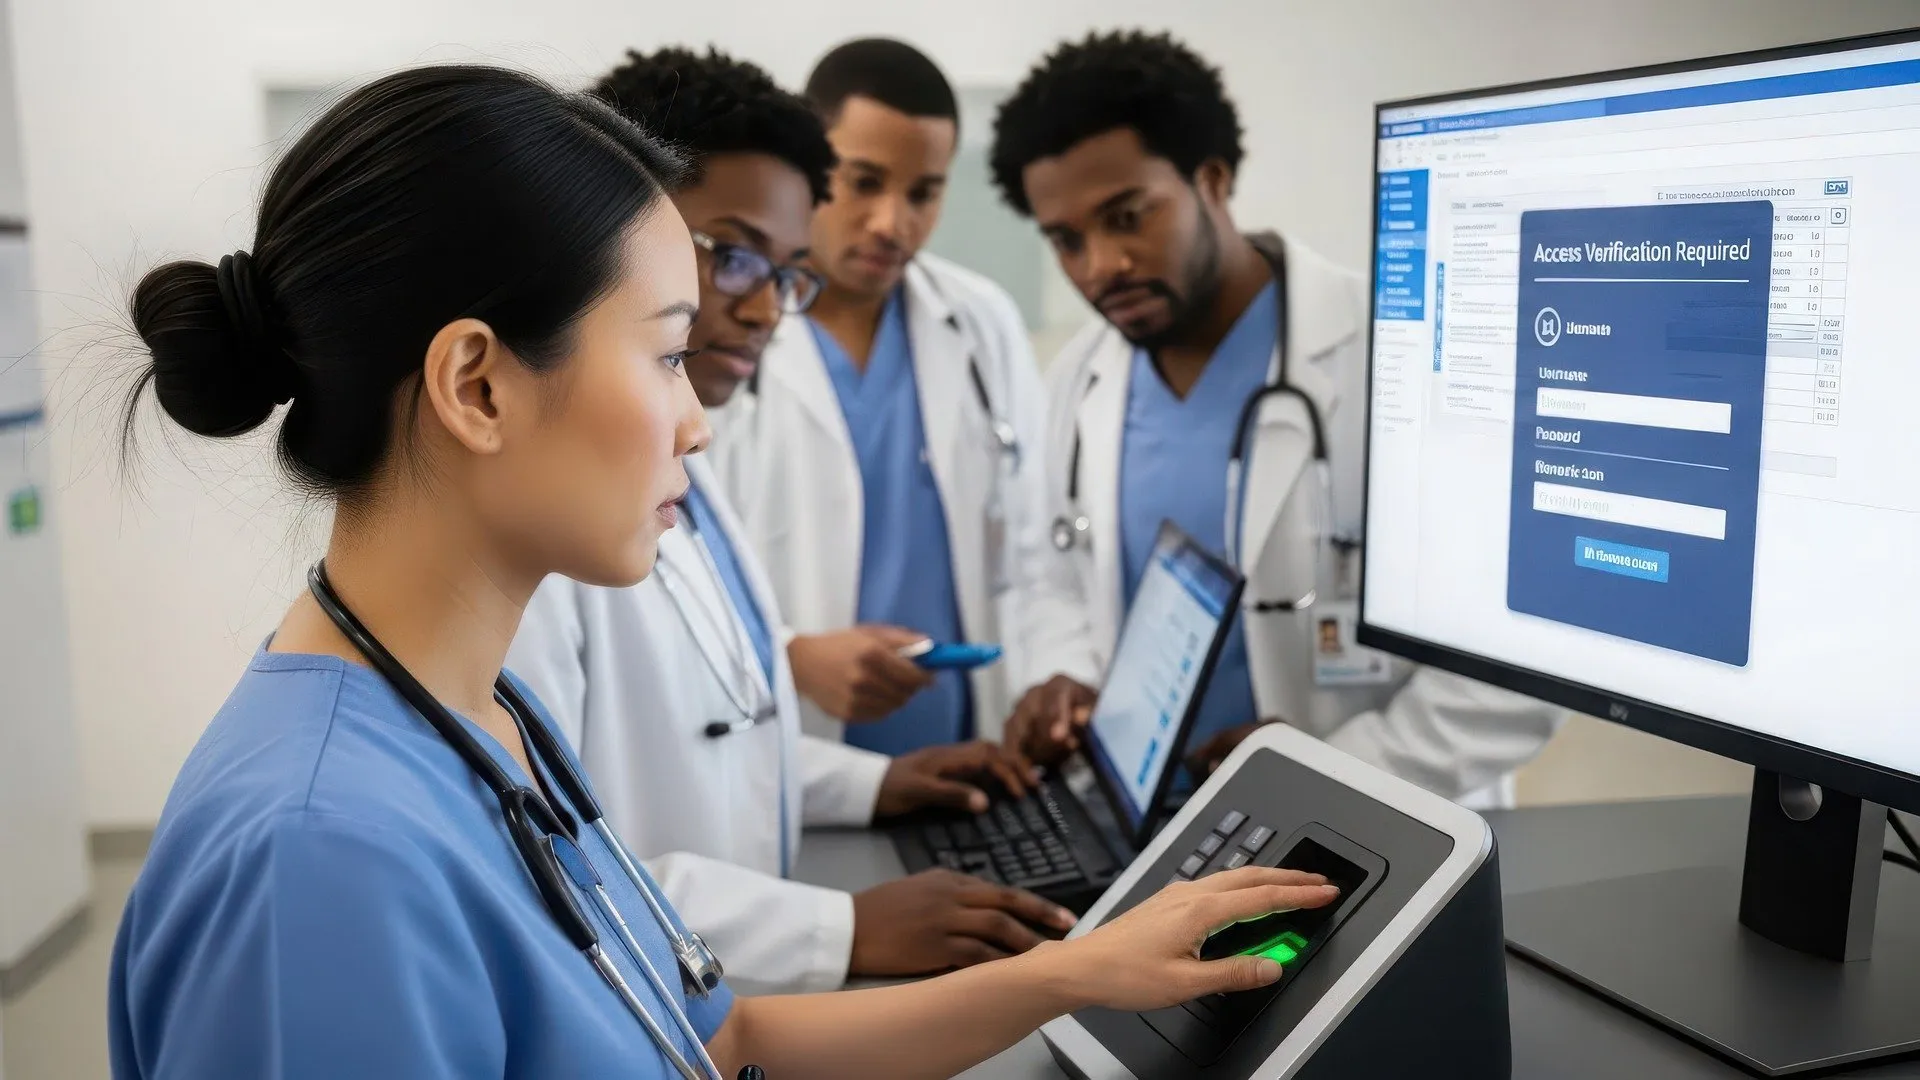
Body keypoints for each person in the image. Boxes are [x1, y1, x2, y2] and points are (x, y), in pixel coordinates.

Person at [106, 64, 1338, 1080]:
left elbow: (719, 1034)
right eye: (663, 357)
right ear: (477, 387)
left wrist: (1073, 972)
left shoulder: (480, 719)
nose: (697, 420)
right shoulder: (319, 860)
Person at [506, 47, 1069, 996]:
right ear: (615, 224)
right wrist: (836, 928)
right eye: (731, 256)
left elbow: (726, 729)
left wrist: (878, 784)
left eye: (786, 272)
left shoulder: (688, 459)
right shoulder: (538, 532)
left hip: (728, 977)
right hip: (655, 998)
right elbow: (549, 869)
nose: (767, 307)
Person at [988, 32, 1563, 808]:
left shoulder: (1404, 352)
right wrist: (1066, 678)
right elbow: (1050, 575)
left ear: (1213, 178)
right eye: (1066, 240)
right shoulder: (1078, 381)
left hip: (1382, 824)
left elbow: (1519, 652)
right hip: (1153, 832)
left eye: (1128, 216)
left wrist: (1334, 776)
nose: (1100, 265)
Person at [709, 38, 1069, 757]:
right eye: (864, 181)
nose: (892, 223)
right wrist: (792, 655)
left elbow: (1035, 544)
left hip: (968, 757)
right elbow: (673, 584)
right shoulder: (726, 331)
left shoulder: (980, 321)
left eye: (923, 193)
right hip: (796, 757)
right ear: (814, 169)